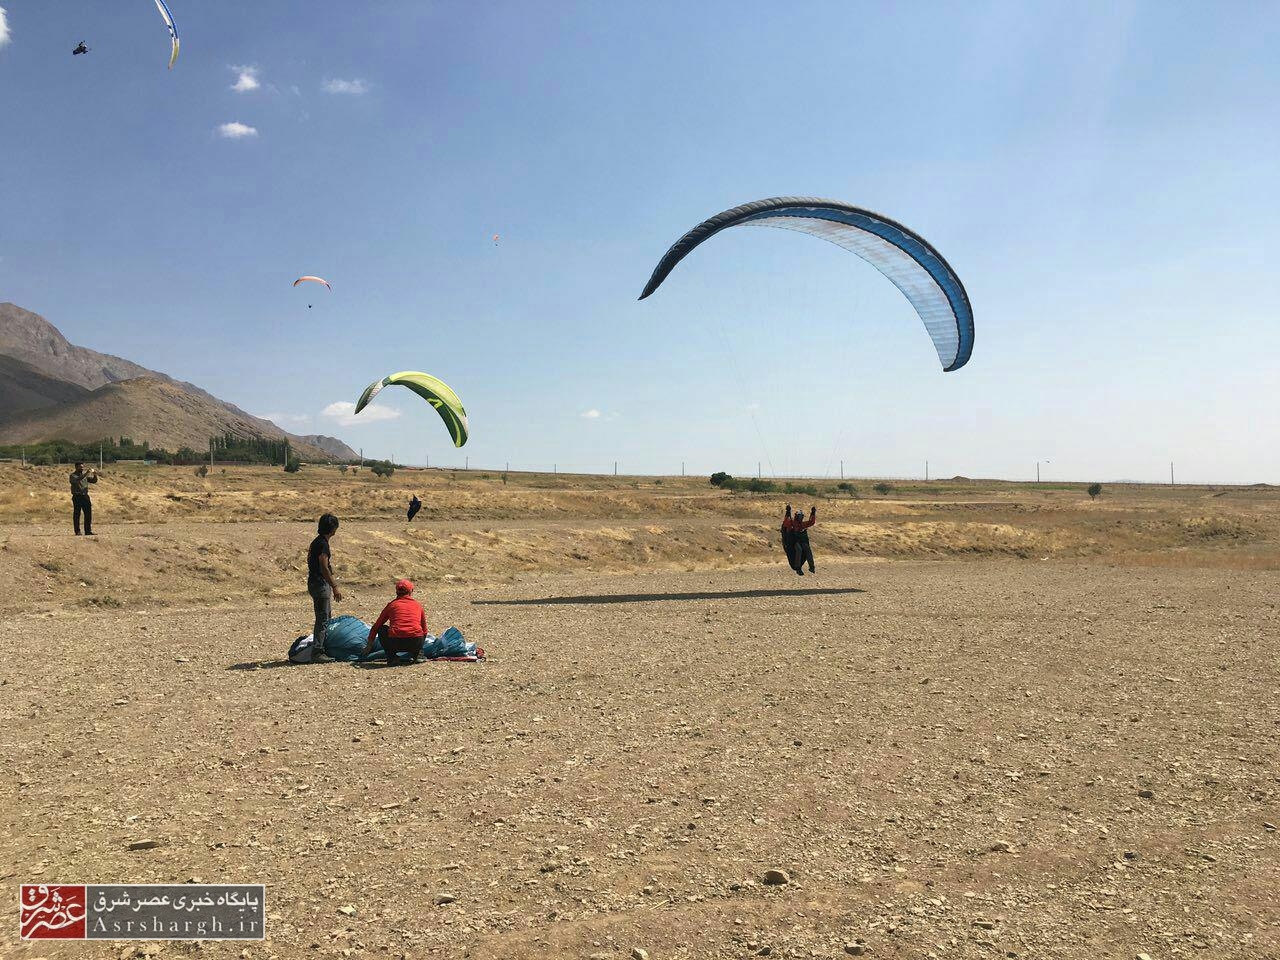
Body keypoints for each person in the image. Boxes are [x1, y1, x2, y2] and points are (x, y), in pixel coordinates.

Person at [363, 579, 428, 666]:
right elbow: (425, 630)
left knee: (382, 629)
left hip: (396, 643)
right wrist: (419, 647)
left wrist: (369, 646)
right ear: (411, 591)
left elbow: (376, 626)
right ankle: (418, 655)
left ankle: (392, 658)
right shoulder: (417, 605)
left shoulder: (391, 605)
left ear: (396, 591)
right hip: (415, 642)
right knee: (418, 630)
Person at [307, 514, 343, 662]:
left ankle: (322, 647)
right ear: (332, 529)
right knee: (323, 618)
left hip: (314, 582)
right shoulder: (322, 544)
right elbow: (323, 566)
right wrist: (334, 586)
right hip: (320, 584)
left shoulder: (317, 542)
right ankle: (317, 652)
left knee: (324, 617)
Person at [783, 504, 817, 575]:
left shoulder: (803, 524)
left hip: (802, 541)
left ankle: (811, 567)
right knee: (799, 549)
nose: (801, 518)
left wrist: (813, 513)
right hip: (793, 542)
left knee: (807, 549)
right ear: (796, 516)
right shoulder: (792, 523)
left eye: (802, 516)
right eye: (799, 516)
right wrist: (788, 512)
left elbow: (811, 522)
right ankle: (798, 568)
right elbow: (785, 523)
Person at [69, 462, 98, 535]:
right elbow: (78, 479)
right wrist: (86, 473)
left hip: (85, 496)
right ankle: (77, 531)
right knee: (77, 514)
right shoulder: (72, 476)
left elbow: (94, 481)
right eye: (80, 467)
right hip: (77, 496)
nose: (82, 468)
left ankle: (88, 531)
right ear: (76, 467)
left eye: (82, 467)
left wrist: (95, 474)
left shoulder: (84, 476)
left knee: (88, 514)